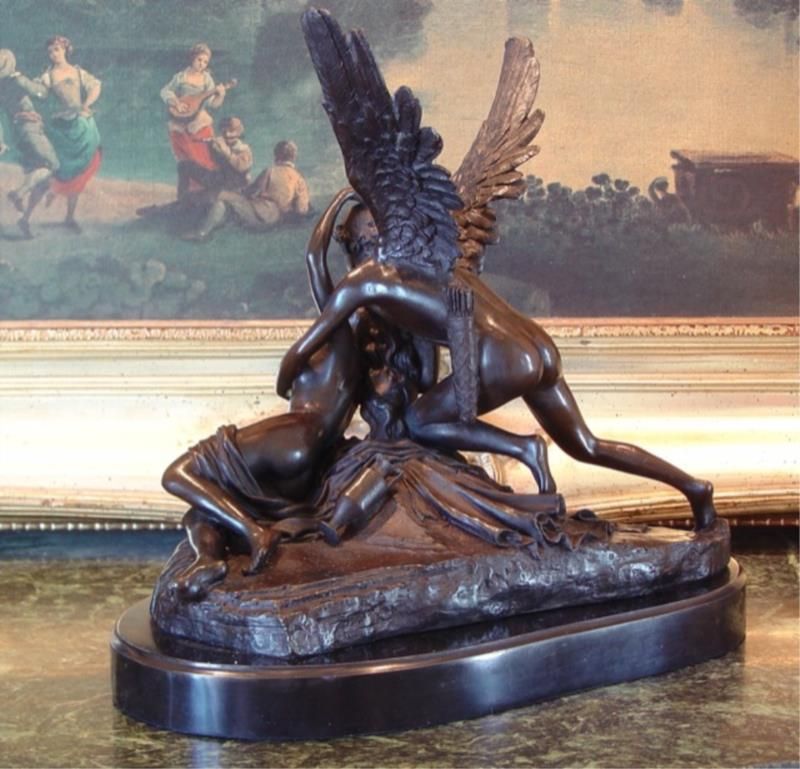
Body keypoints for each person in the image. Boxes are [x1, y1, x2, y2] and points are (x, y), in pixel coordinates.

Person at [276, 221, 717, 531]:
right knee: (586, 444)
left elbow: (307, 339)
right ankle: (693, 487)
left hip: (502, 357)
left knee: (418, 421)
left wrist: (285, 380)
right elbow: (430, 369)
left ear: (358, 246)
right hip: (538, 346)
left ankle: (525, 448)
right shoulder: (438, 269)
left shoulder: (363, 281)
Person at [162, 190, 383, 597]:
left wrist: (339, 200)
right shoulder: (356, 349)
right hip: (307, 461)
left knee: (178, 475)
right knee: (202, 513)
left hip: (294, 435)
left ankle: (253, 532)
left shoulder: (342, 331)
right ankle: (209, 561)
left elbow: (314, 260)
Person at [28, 35, 102, 233]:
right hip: (61, 130)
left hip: (82, 127)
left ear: (66, 50)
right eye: (50, 51)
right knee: (51, 172)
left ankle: (69, 217)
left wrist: (86, 104)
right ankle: (25, 217)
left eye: (57, 49)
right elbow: (36, 93)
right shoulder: (48, 76)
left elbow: (95, 86)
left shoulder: (77, 72)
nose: (53, 54)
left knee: (78, 174)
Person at [182, 139, 310, 242]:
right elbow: (301, 209)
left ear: (276, 155)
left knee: (224, 201)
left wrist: (243, 188)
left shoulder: (271, 171)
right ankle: (208, 225)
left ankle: (201, 232)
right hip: (275, 220)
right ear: (293, 157)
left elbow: (251, 191)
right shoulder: (299, 179)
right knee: (228, 206)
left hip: (261, 215)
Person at [0, 48, 60, 238]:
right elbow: (42, 93)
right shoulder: (17, 80)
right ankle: (19, 193)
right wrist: (43, 79)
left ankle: (24, 219)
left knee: (43, 180)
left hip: (20, 134)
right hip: (30, 128)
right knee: (53, 165)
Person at [160, 43, 228, 199]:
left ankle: (203, 192)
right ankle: (187, 194)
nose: (202, 64)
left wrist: (221, 95)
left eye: (205, 62)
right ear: (192, 58)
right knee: (186, 157)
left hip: (199, 123)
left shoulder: (207, 79)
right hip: (180, 122)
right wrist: (176, 102)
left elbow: (213, 104)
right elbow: (165, 91)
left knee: (204, 156)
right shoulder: (181, 77)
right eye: (199, 60)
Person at [176, 115, 252, 199]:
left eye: (231, 131)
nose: (227, 134)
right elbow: (212, 162)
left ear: (238, 133)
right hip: (218, 179)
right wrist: (212, 147)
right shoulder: (220, 145)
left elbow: (242, 167)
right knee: (184, 165)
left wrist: (225, 151)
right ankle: (181, 199)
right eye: (224, 131)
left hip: (234, 184)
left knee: (206, 197)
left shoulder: (243, 149)